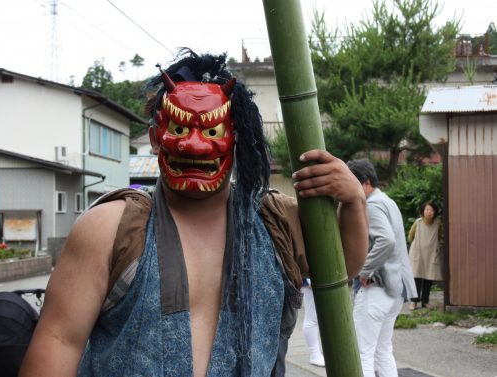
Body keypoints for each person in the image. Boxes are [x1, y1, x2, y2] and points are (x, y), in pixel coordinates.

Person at [19, 50, 368, 377]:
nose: (195, 145)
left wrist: (353, 201)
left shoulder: (276, 221)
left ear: (235, 139)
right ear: (156, 137)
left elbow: (343, 270)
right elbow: (60, 339)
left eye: (213, 131)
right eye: (180, 129)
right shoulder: (110, 227)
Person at [347, 159, 417, 377]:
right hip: (394, 290)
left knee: (362, 353)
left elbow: (386, 240)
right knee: (382, 351)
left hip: (376, 288)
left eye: (353, 183)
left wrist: (365, 270)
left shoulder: (373, 205)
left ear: (365, 182)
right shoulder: (388, 201)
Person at [408, 201, 442, 310]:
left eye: (431, 210)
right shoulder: (417, 223)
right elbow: (410, 237)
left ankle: (425, 301)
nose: (429, 212)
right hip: (418, 252)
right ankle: (414, 302)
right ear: (423, 211)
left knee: (429, 277)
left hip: (431, 253)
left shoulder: (437, 223)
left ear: (435, 212)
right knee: (416, 277)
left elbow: (439, 237)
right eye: (426, 210)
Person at [301, 278, 325, 367]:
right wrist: (309, 280)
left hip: (318, 278)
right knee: (312, 319)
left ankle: (316, 354)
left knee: (315, 319)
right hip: (312, 278)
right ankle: (315, 354)